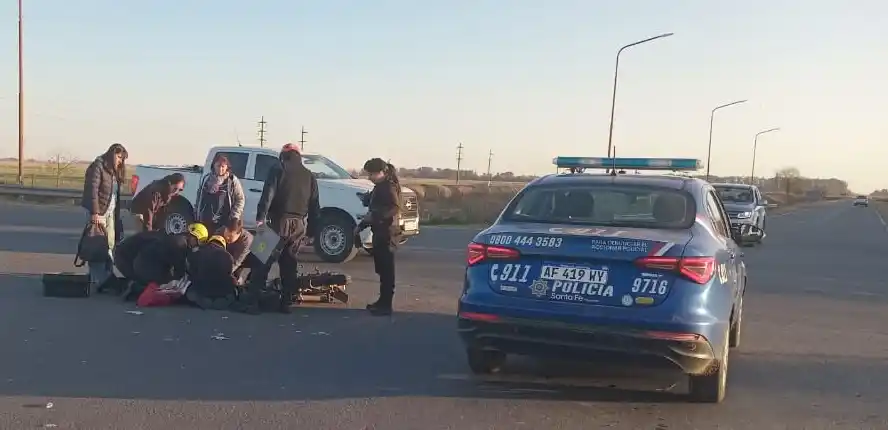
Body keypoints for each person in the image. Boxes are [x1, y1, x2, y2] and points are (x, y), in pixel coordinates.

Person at [250, 143, 320, 313]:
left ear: (283, 156)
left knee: (260, 259)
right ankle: (286, 302)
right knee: (289, 264)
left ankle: (253, 302)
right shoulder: (309, 176)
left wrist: (260, 218)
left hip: (277, 221)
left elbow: (268, 194)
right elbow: (314, 205)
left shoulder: (277, 170)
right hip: (299, 225)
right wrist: (312, 231)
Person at [356, 158, 403, 316]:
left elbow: (394, 207)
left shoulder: (388, 187)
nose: (369, 177)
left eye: (372, 174)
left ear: (382, 172)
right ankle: (382, 302)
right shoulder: (380, 186)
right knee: (382, 270)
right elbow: (374, 209)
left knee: (387, 271)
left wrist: (377, 216)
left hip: (387, 234)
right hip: (381, 232)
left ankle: (386, 305)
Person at [80, 143, 128, 292]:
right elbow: (92, 189)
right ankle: (99, 279)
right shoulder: (98, 166)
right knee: (96, 246)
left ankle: (106, 276)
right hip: (99, 212)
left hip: (110, 212)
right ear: (112, 153)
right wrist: (95, 212)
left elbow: (115, 196)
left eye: (122, 159)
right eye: (119, 157)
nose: (120, 161)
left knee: (109, 245)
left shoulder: (114, 172)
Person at [131, 223, 208, 287]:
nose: (198, 245)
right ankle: (136, 288)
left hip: (143, 264)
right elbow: (180, 270)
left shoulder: (179, 238)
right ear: (193, 237)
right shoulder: (179, 244)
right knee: (165, 287)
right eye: (200, 241)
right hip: (146, 268)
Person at [184, 235, 239, 310]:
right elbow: (228, 275)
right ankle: (220, 300)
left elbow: (191, 272)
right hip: (222, 291)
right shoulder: (228, 256)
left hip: (202, 290)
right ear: (223, 246)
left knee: (191, 290)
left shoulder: (198, 253)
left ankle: (203, 300)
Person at [195, 154, 246, 233]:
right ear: (213, 166)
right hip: (206, 220)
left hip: (224, 221)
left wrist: (234, 217)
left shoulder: (232, 181)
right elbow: (200, 197)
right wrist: (196, 214)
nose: (220, 169)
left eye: (223, 166)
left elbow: (240, 199)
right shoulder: (207, 179)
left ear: (227, 167)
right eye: (218, 166)